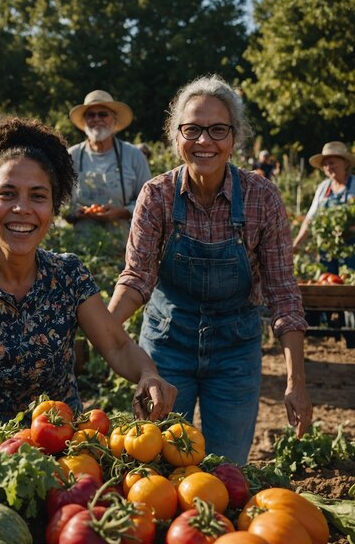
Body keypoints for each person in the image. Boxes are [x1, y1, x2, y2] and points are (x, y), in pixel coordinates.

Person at [0, 117, 177, 465]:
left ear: (53, 209)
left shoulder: (68, 275)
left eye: (38, 196)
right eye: (7, 194)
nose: (23, 209)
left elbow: (118, 344)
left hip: (66, 455)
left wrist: (148, 374)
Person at [108, 75, 312, 465]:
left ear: (235, 137)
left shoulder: (261, 197)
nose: (204, 141)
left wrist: (295, 382)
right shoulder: (157, 195)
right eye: (193, 129)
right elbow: (137, 278)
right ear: (177, 135)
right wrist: (103, 330)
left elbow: (284, 294)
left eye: (218, 130)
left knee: (226, 470)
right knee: (158, 468)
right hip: (167, 347)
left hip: (235, 351)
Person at [67, 90, 151, 236]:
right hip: (80, 248)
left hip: (122, 246)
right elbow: (58, 203)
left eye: (103, 114)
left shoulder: (134, 155)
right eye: (91, 115)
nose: (96, 119)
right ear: (85, 120)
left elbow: (149, 202)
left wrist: (124, 212)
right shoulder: (71, 156)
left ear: (114, 119)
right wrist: (74, 212)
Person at [292, 141, 355, 271]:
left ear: (345, 163)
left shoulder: (354, 185)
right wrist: (297, 243)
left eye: (331, 162)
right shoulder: (323, 188)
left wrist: (349, 229)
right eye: (325, 164)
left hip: (352, 248)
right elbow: (310, 218)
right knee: (328, 283)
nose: (328, 167)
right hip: (327, 247)